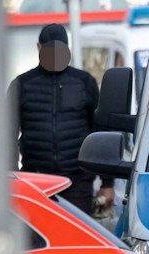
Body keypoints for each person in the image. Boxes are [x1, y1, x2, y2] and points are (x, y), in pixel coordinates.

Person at [9, 23, 111, 213]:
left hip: (77, 182)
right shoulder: (22, 85)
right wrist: (12, 178)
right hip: (35, 181)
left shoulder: (84, 82)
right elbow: (7, 135)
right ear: (39, 48)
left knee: (77, 231)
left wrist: (107, 183)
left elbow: (100, 133)